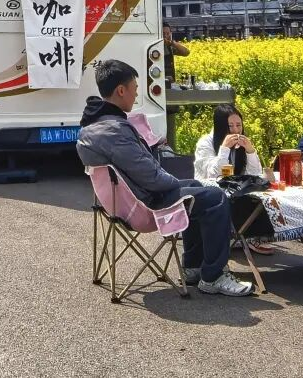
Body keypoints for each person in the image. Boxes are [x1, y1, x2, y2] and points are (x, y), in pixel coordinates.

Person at [76, 59, 254, 297]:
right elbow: (151, 177)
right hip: (143, 205)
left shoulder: (92, 126)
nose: (136, 94)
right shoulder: (115, 130)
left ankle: (193, 267)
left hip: (122, 203)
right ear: (121, 90)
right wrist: (174, 181)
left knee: (196, 187)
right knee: (215, 197)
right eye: (134, 88)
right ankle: (213, 276)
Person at [193, 104, 275, 255]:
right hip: (209, 191)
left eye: (239, 125)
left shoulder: (240, 145)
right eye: (230, 126)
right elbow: (212, 175)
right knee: (234, 198)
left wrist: (250, 151)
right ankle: (243, 236)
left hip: (234, 188)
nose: (236, 131)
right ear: (221, 126)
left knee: (260, 193)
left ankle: (253, 235)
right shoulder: (205, 143)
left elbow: (254, 174)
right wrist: (224, 149)